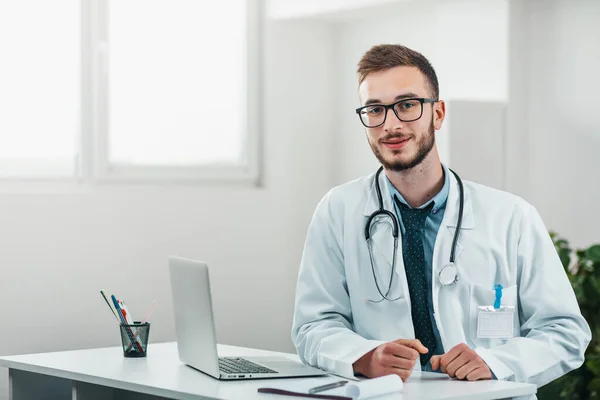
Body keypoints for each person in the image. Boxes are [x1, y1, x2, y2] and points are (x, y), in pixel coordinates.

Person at [291, 44, 590, 389]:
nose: (390, 124)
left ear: (438, 113)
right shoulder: (338, 210)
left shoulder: (512, 217)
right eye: (375, 109)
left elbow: (566, 331)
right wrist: (365, 356)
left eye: (407, 105)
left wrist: (494, 362)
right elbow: (312, 326)